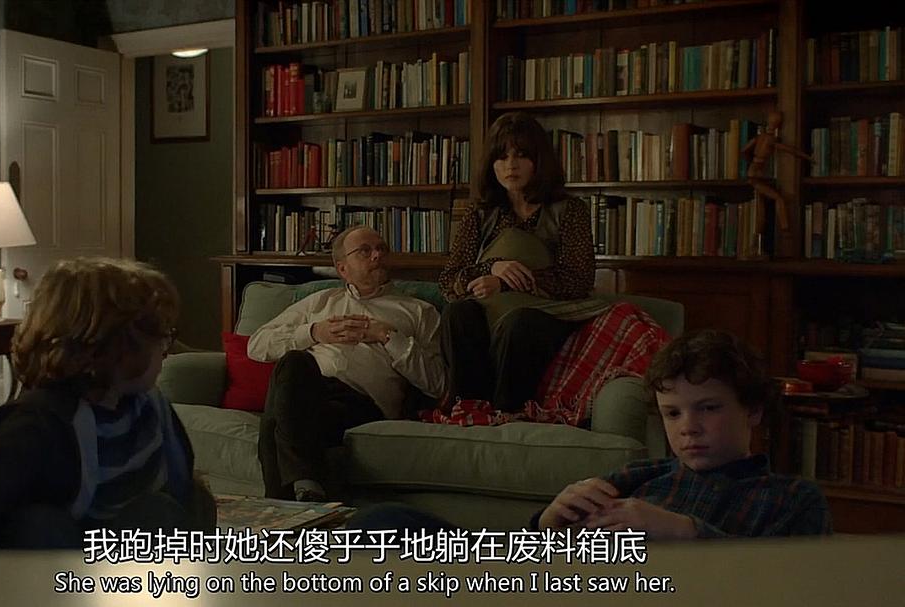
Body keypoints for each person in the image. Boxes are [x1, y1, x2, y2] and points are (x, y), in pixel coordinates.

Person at [352, 329, 832, 539]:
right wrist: (547, 521)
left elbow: (792, 586)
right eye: (672, 413)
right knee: (383, 521)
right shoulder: (643, 477)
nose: (688, 427)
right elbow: (539, 552)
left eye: (708, 408)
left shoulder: (790, 499)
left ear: (752, 410)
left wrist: (686, 532)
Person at [0, 257, 215, 548]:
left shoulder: (148, 405)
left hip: (128, 553)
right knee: (39, 524)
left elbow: (181, 486)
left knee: (178, 505)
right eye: (159, 335)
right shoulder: (41, 422)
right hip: (67, 558)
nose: (166, 346)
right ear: (109, 345)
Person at [248, 225, 446, 502]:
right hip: (310, 395)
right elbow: (256, 345)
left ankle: (284, 501)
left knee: (276, 421)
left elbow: (438, 383)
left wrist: (388, 337)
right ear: (343, 269)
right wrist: (314, 332)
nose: (377, 255)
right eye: (365, 251)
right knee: (294, 363)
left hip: (362, 405)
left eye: (382, 249)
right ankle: (304, 493)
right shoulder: (320, 303)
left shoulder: (418, 311)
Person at [438, 111, 608, 412]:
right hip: (488, 312)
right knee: (457, 312)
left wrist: (507, 282)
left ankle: (508, 414)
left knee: (519, 323)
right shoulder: (479, 213)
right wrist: (492, 267)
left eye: (521, 155)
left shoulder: (569, 210)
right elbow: (449, 279)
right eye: (501, 157)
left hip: (546, 314)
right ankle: (469, 410)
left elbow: (578, 280)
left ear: (538, 160)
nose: (510, 165)